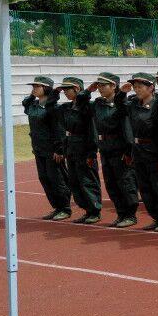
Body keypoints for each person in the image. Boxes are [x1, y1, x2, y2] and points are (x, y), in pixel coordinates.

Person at [119, 72, 158, 231]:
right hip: (139, 151)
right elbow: (120, 107)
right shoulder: (134, 105)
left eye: (140, 86)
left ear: (151, 88)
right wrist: (122, 93)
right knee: (145, 187)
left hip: (153, 151)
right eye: (135, 87)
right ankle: (156, 217)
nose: (136, 89)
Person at [87, 72, 139, 228]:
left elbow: (127, 129)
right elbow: (81, 104)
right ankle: (121, 213)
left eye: (103, 85)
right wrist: (88, 91)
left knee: (125, 183)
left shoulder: (121, 105)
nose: (100, 88)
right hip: (105, 149)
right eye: (99, 85)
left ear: (113, 86)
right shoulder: (98, 104)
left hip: (120, 150)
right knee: (111, 184)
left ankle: (130, 215)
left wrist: (129, 151)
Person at [22, 76, 71, 220]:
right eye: (33, 86)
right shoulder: (33, 105)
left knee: (56, 178)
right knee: (44, 178)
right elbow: (25, 104)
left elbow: (59, 129)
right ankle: (57, 207)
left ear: (46, 88)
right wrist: (32, 95)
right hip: (38, 148)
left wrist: (59, 149)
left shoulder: (53, 107)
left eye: (37, 86)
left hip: (52, 149)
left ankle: (65, 208)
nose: (34, 89)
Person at [55, 77, 102, 224]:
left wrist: (91, 153)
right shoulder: (67, 107)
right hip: (71, 148)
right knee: (75, 182)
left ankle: (94, 211)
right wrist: (54, 93)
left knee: (87, 181)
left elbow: (92, 132)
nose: (65, 92)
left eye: (67, 89)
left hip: (84, 149)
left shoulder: (87, 107)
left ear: (76, 89)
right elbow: (50, 106)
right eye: (63, 90)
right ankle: (87, 210)